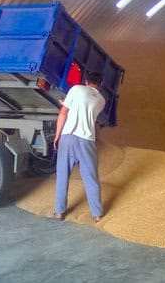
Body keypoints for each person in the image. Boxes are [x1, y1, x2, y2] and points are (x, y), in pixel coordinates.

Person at [53, 71, 106, 222]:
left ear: (86, 81)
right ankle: (97, 215)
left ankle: (59, 212)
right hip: (87, 140)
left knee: (62, 175)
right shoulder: (101, 100)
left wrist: (57, 136)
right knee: (91, 178)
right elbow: (88, 113)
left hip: (68, 137)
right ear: (100, 85)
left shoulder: (76, 89)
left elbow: (64, 113)